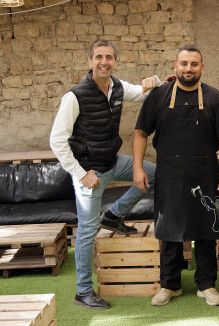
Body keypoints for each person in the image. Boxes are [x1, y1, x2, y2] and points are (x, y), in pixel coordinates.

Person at [50, 40, 160, 309]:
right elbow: (57, 140)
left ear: (115, 62)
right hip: (89, 173)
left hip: (113, 163)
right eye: (98, 57)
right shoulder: (75, 96)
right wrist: (80, 174)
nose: (104, 62)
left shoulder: (118, 88)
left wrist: (157, 81)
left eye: (109, 57)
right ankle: (83, 291)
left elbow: (144, 92)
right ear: (90, 61)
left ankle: (114, 215)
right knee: (87, 232)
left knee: (154, 173)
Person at [133, 44, 219, 307]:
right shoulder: (157, 96)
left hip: (205, 173)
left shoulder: (214, 99)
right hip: (169, 174)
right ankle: (170, 284)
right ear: (174, 66)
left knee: (206, 230)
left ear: (202, 67)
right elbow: (141, 133)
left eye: (194, 64)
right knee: (169, 231)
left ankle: (207, 285)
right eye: (184, 64)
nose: (188, 69)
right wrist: (137, 167)